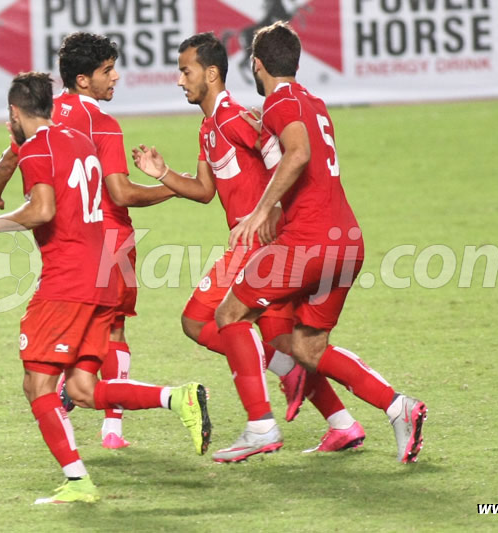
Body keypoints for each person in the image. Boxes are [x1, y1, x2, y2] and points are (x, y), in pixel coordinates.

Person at [0, 72, 211, 504]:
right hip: (103, 276)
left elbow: (43, 209)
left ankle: (77, 481)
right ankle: (177, 397)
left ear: (15, 113)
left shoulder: (36, 148)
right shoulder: (79, 141)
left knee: (38, 386)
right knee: (81, 389)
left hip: (67, 282)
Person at [131, 32, 366, 456]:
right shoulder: (209, 127)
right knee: (282, 343)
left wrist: (270, 210)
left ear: (211, 73)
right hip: (256, 243)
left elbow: (278, 150)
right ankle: (342, 424)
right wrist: (163, 173)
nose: (180, 80)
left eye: (185, 71)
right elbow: (205, 190)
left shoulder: (235, 117)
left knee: (198, 321)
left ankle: (264, 419)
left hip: (257, 244)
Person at [212, 22, 427, 463]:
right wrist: (266, 134)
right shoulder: (313, 102)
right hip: (346, 241)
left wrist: (260, 211)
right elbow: (302, 153)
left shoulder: (279, 102)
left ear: (256, 65)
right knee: (309, 348)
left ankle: (260, 427)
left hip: (308, 241)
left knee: (229, 314)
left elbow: (299, 153)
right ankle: (397, 406)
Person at [0, 32, 177, 450]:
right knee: (115, 329)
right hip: (112, 239)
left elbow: (10, 158)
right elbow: (121, 193)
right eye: (108, 70)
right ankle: (112, 429)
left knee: (67, 323)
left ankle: (66, 397)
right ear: (84, 79)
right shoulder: (104, 124)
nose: (116, 77)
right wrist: (173, 187)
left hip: (67, 238)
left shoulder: (47, 114)